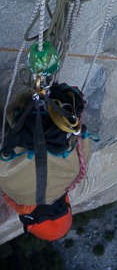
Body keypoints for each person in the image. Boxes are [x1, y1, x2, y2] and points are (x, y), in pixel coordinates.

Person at [0, 82, 90, 240]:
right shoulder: (20, 198)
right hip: (17, 131)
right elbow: (12, 200)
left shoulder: (74, 177)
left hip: (51, 115)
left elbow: (83, 137)